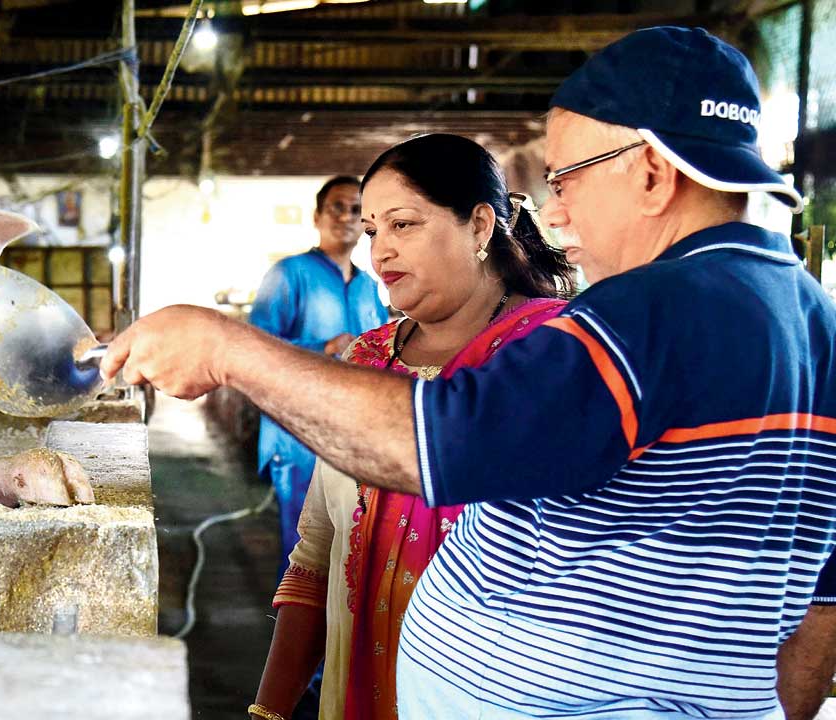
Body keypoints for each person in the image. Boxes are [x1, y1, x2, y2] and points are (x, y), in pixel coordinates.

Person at [104, 27, 836, 720]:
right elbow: (824, 594)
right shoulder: (808, 314)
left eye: (567, 179)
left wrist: (225, 347)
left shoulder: (656, 306)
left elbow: (432, 440)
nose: (555, 211)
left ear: (649, 173)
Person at [253, 134, 575, 720]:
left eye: (403, 225)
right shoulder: (368, 360)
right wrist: (268, 712)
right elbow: (316, 556)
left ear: (480, 226)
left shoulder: (553, 355)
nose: (380, 253)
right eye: (374, 231)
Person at [249, 176, 388, 576]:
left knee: (347, 548)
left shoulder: (368, 286)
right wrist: (324, 349)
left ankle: (335, 637)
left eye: (356, 210)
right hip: (298, 435)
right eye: (337, 207)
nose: (346, 217)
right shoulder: (288, 274)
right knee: (304, 549)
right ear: (317, 217)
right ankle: (290, 635)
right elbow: (257, 346)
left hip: (352, 435)